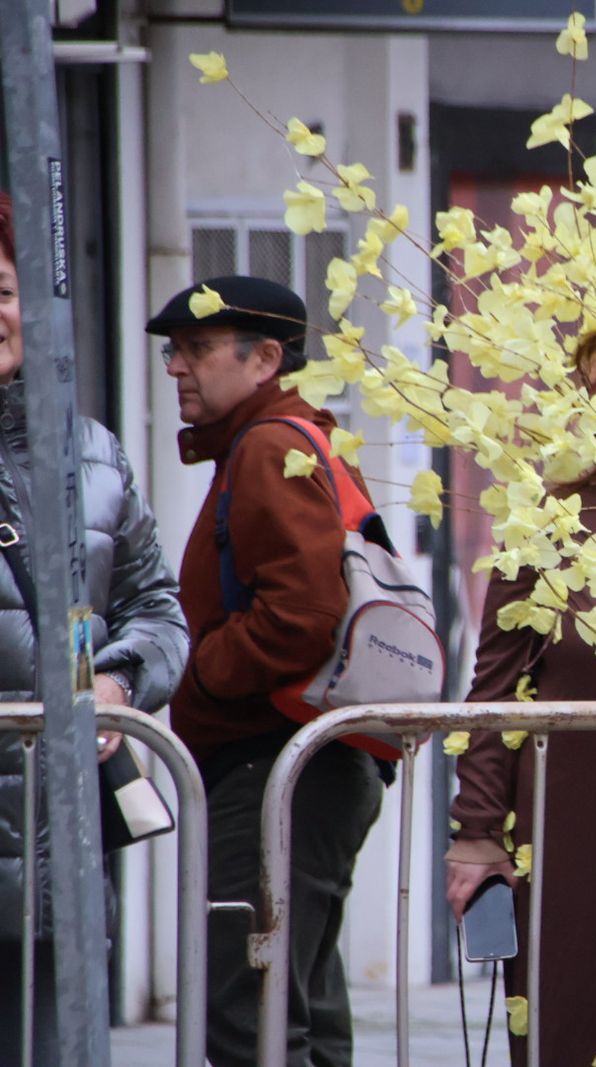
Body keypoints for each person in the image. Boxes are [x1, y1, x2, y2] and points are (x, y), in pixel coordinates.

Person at [146, 275, 385, 1067]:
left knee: (251, 1016)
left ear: (266, 359)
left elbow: (306, 614)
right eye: (173, 351)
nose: (176, 366)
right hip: (300, 761)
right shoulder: (291, 439)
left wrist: (199, 675)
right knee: (297, 1010)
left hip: (274, 761)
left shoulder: (270, 446)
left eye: (197, 349)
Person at [445, 332, 596, 1066]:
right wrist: (477, 828)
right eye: (591, 393)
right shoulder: (543, 522)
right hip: (571, 827)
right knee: (574, 1020)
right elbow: (494, 687)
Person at [0, 191, 188, 1067]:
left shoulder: (96, 455)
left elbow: (157, 610)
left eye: (3, 288)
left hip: (53, 864)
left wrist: (110, 683)